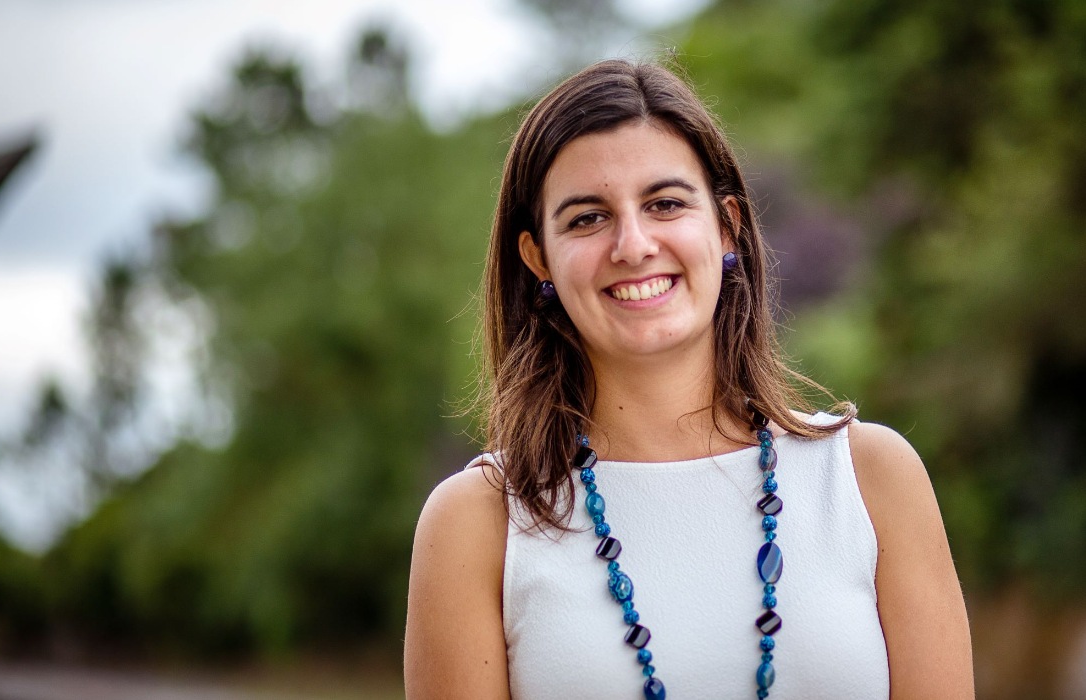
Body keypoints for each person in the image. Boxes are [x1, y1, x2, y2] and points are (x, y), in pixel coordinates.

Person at [404, 59, 973, 700]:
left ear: (726, 225)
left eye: (666, 203)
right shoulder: (478, 523)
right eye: (587, 218)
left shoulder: (871, 480)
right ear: (538, 257)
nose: (633, 243)